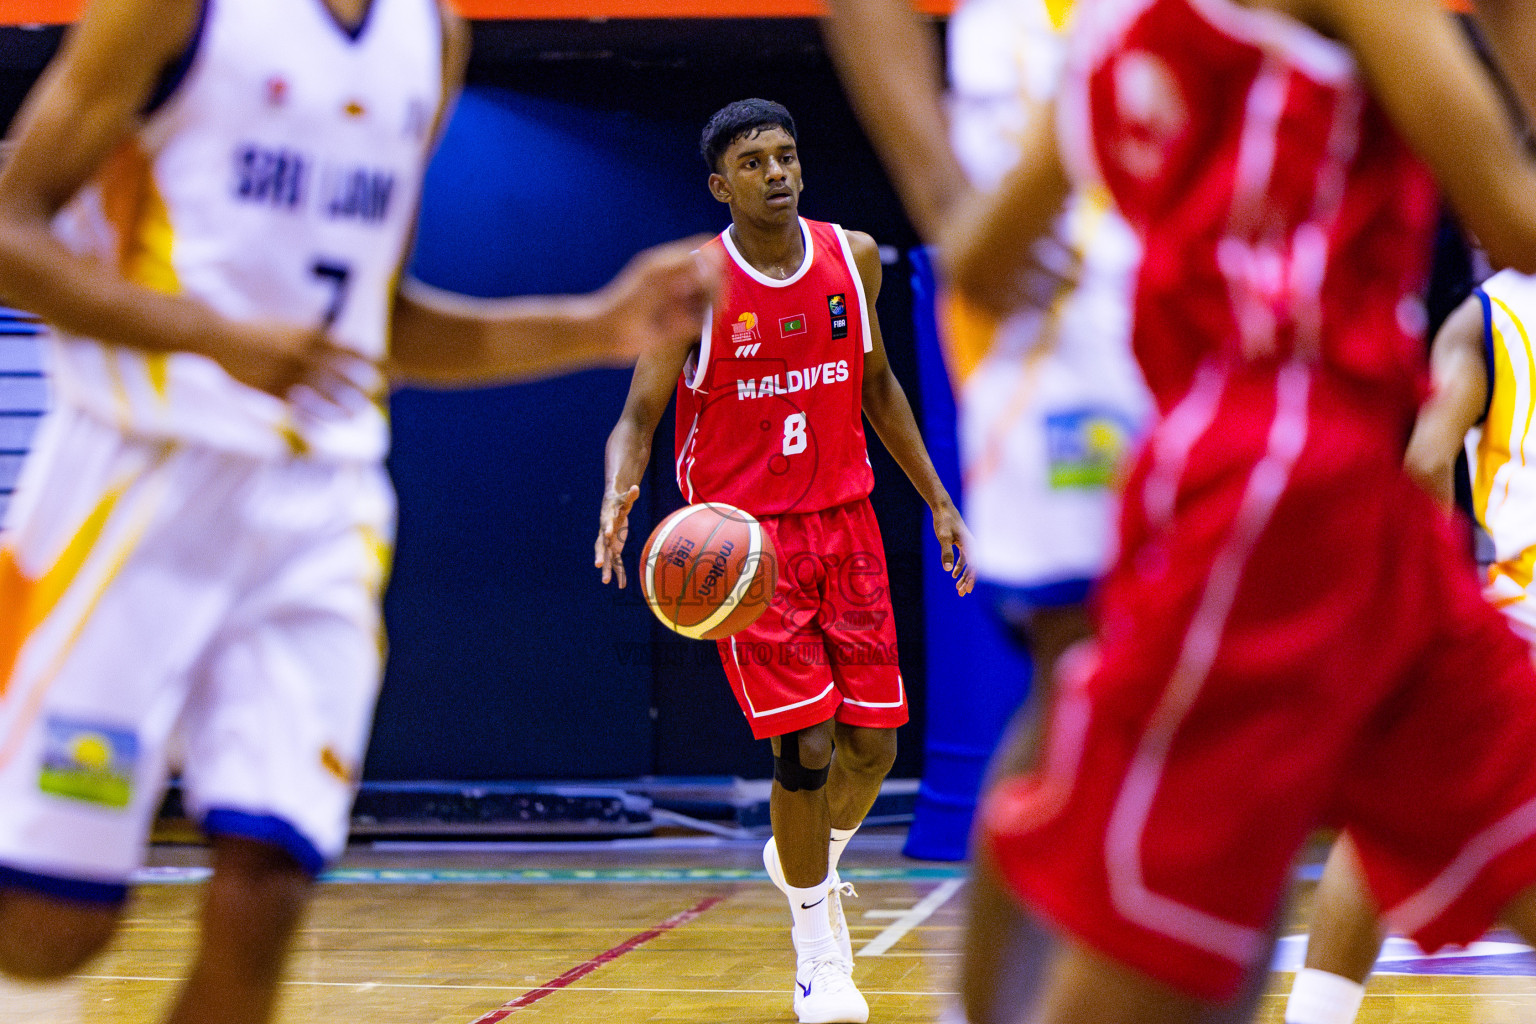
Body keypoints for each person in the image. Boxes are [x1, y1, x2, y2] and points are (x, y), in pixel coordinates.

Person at [0, 1, 714, 1022]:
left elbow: (379, 321)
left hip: (321, 504)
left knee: (267, 891)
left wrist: (593, 325)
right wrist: (205, 334)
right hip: (138, 478)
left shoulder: (431, 35)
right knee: (51, 921)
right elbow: (9, 229)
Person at [823, 0, 1536, 1022]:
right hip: (1274, 508)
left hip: (1328, 507)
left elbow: (975, 259)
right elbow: (1513, 217)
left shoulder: (1113, 42)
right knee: (1133, 958)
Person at [595, 97, 973, 1024]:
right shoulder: (697, 284)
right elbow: (640, 414)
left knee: (874, 745)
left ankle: (803, 855)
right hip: (745, 544)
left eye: (787, 155)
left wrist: (937, 498)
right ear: (721, 185)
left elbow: (878, 385)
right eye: (755, 161)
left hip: (847, 526)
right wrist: (621, 490)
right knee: (802, 748)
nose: (778, 171)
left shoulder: (857, 257)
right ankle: (819, 956)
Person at [1282, 268, 1536, 1024]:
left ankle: (1316, 1014)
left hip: (1513, 610)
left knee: (1384, 819)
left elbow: (1426, 459)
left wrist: (1443, 599)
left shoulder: (1483, 319)